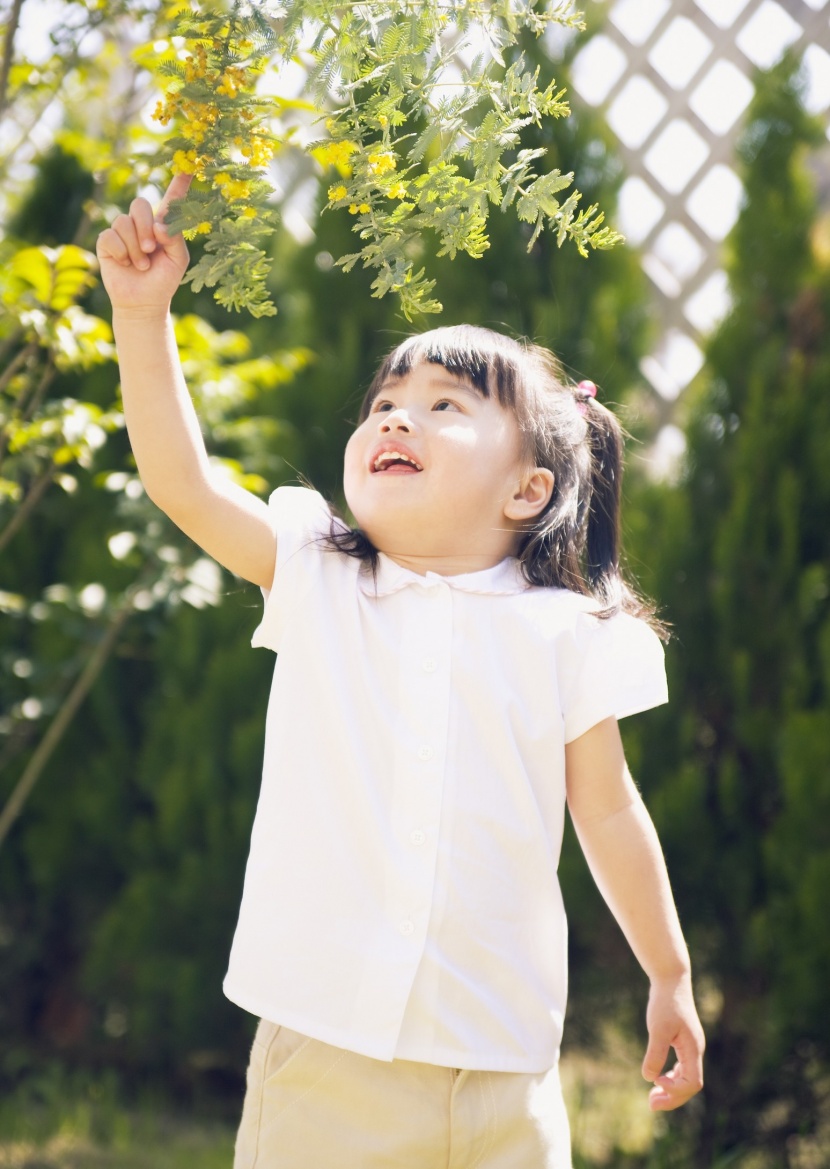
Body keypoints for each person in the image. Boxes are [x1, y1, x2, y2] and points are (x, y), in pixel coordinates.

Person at [96, 177, 705, 1169]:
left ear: (528, 488)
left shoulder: (562, 632)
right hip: (328, 1059)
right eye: (383, 401)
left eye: (442, 403)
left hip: (506, 1066)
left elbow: (607, 812)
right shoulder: (317, 571)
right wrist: (141, 315)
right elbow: (183, 482)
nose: (393, 418)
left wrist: (668, 972)